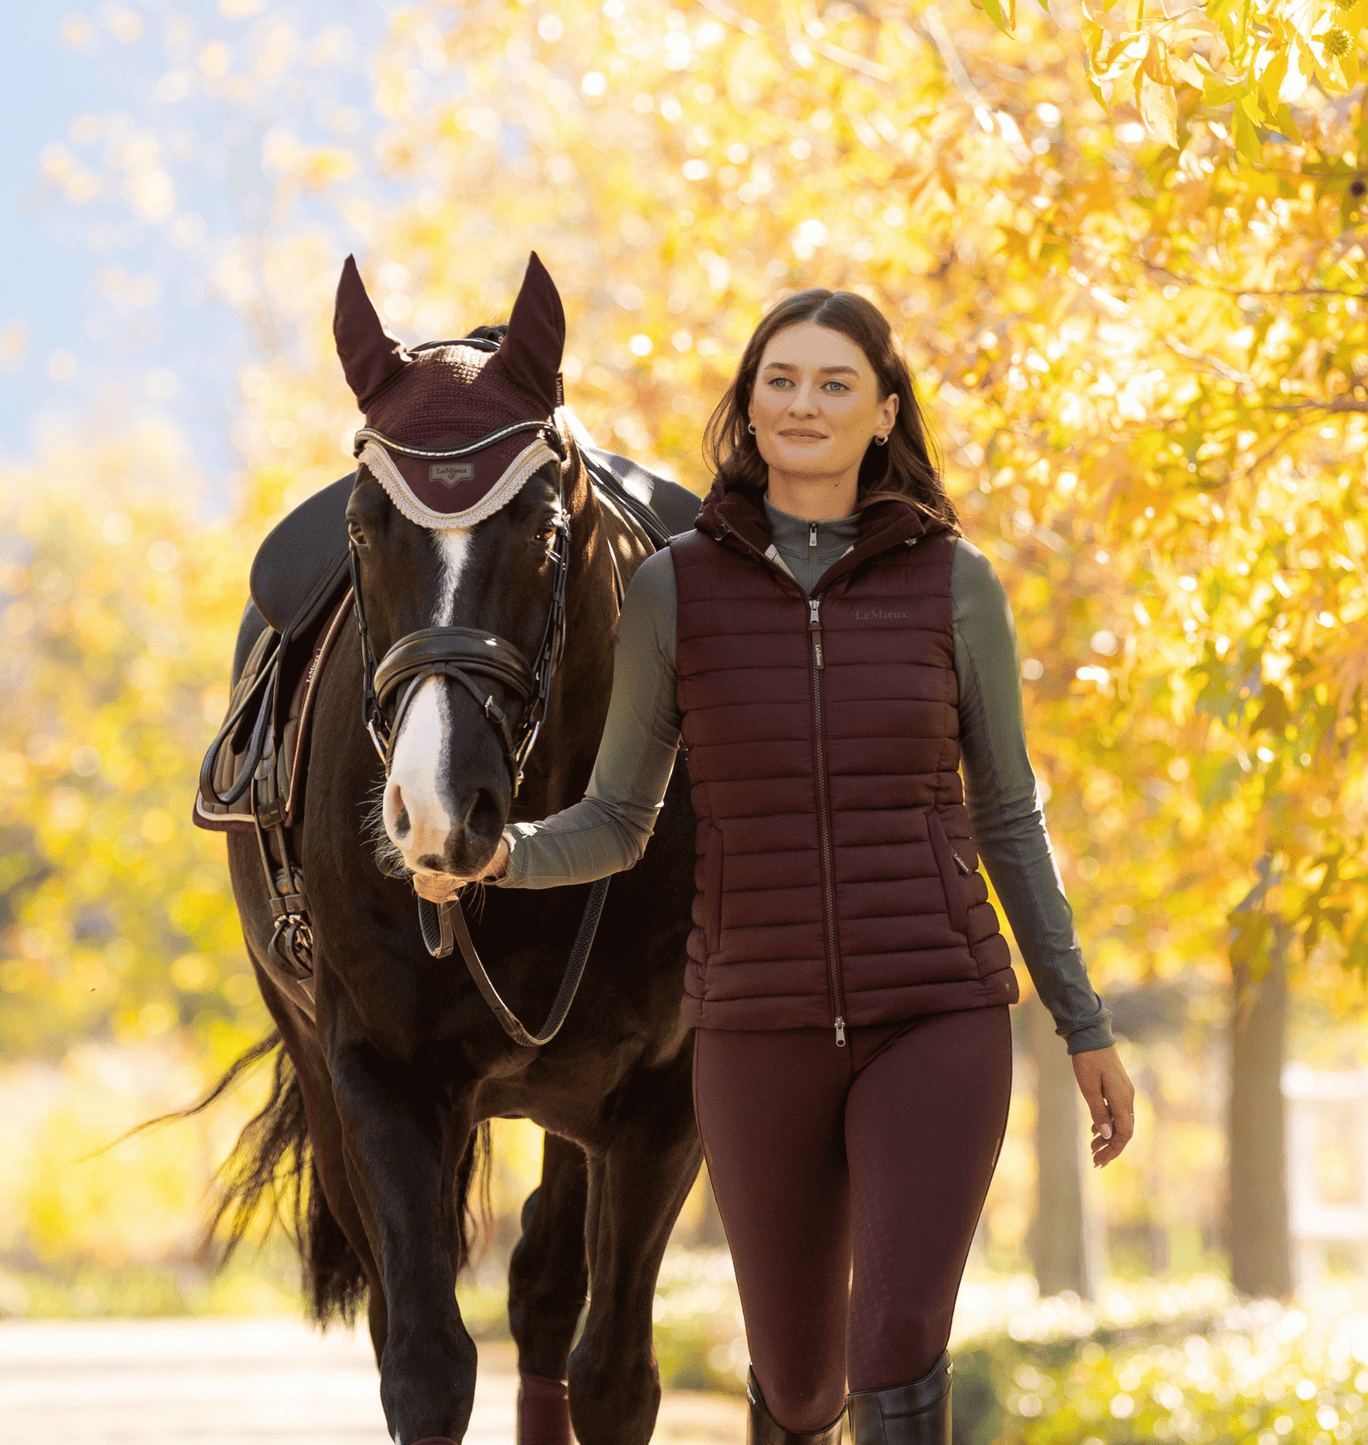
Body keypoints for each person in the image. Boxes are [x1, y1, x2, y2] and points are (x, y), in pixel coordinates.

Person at [414, 289, 1134, 1445]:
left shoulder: (956, 586)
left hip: (934, 1013)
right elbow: (614, 817)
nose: (804, 402)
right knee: (799, 1384)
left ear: (884, 413)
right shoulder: (675, 590)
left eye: (834, 381)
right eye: (780, 380)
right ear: (746, 410)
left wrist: (1080, 1020)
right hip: (754, 1026)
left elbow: (1008, 813)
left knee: (894, 1342)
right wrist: (499, 856)